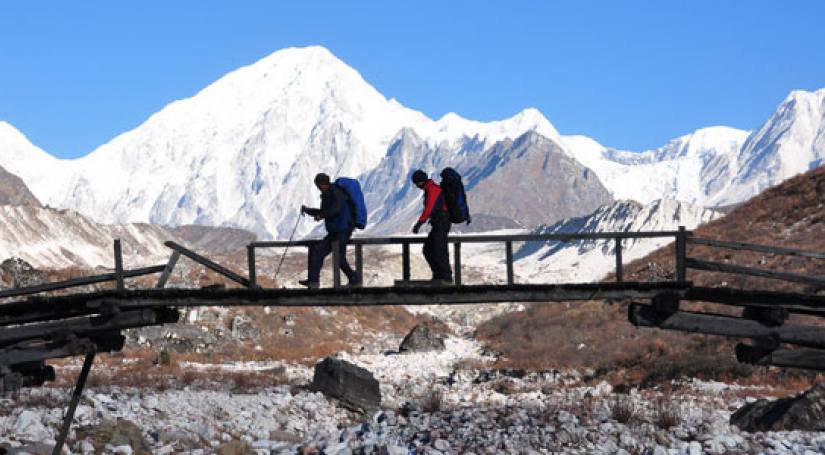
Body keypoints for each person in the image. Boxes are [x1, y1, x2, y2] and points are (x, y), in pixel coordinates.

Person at [298, 173, 361, 288]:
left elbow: (335, 209)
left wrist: (321, 216)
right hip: (335, 231)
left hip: (343, 229)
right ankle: (313, 282)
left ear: (320, 184)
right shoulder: (328, 194)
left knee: (338, 256)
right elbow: (325, 211)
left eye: (317, 184)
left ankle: (354, 279)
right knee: (319, 252)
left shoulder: (336, 193)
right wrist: (308, 210)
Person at [411, 169, 452, 284]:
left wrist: (419, 224)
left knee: (438, 249)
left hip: (442, 222)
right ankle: (439, 275)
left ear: (421, 181)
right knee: (429, 249)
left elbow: (429, 208)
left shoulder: (433, 189)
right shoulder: (430, 189)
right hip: (438, 223)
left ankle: (446, 277)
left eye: (417, 183)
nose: (417, 186)